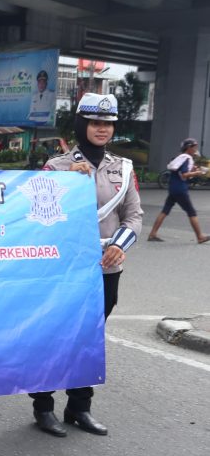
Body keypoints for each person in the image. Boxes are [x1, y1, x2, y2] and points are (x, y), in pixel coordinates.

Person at [32, 93, 142, 437]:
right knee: (55, 336)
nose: (101, 129)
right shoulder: (57, 168)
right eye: (95, 122)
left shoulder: (123, 168)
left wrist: (119, 247)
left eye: (107, 124)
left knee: (89, 338)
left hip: (106, 268)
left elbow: (134, 215)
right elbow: (40, 217)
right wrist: (69, 187)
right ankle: (43, 406)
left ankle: (80, 407)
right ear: (82, 125)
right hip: (63, 270)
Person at [147, 138, 209, 244]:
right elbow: (184, 174)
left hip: (173, 188)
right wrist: (196, 173)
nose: (195, 149)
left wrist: (193, 170)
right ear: (188, 148)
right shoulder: (186, 158)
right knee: (191, 212)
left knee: (165, 211)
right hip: (180, 189)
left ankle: (152, 234)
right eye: (194, 147)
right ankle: (200, 237)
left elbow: (180, 171)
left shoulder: (180, 157)